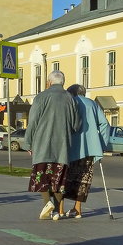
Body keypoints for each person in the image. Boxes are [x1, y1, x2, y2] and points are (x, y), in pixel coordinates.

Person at [25, 70, 80, 220]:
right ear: (63, 82)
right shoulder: (70, 99)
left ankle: (47, 202)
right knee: (59, 180)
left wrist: (28, 142)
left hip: (42, 144)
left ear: (49, 82)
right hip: (63, 147)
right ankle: (56, 211)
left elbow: (33, 122)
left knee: (42, 177)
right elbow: (76, 125)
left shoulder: (41, 97)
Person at [62, 84, 112, 219]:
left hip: (70, 146)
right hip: (90, 147)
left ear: (71, 93)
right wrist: (101, 142)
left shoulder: (69, 102)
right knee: (83, 179)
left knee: (64, 177)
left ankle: (60, 209)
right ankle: (77, 209)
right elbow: (105, 124)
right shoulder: (92, 104)